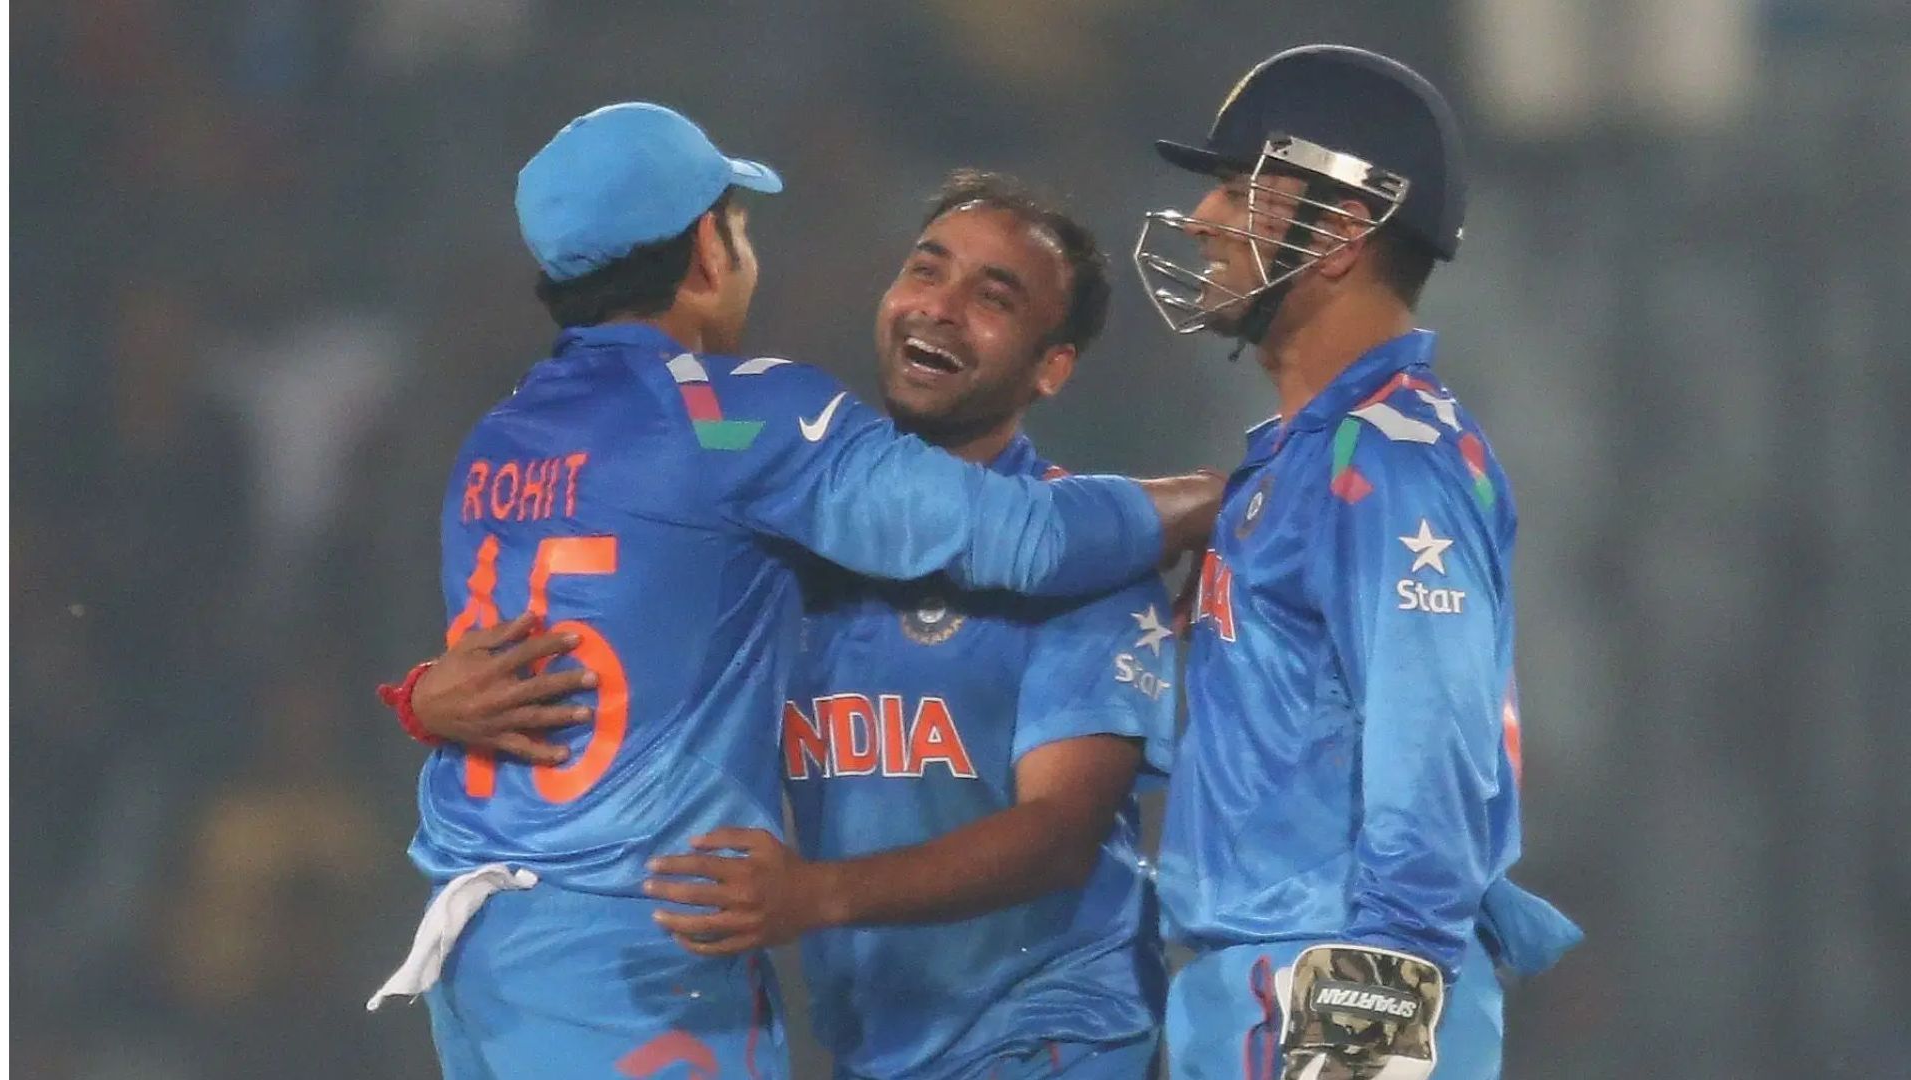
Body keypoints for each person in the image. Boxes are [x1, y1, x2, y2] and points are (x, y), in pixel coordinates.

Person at [365, 103, 1219, 1080]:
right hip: (639, 962)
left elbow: (1061, 836)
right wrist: (1229, 496)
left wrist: (426, 696)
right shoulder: (747, 439)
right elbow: (1022, 538)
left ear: (1053, 363)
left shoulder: (506, 438)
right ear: (705, 251)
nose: (938, 304)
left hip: (1040, 1038)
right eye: (927, 267)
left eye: (993, 294)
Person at [1131, 45, 1581, 1079]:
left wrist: (1369, 1036)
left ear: (1337, 236)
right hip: (1259, 988)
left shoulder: (1387, 458)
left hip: (1341, 992)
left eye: (1244, 190)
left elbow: (1434, 758)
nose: (1203, 219)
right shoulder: (1302, 457)